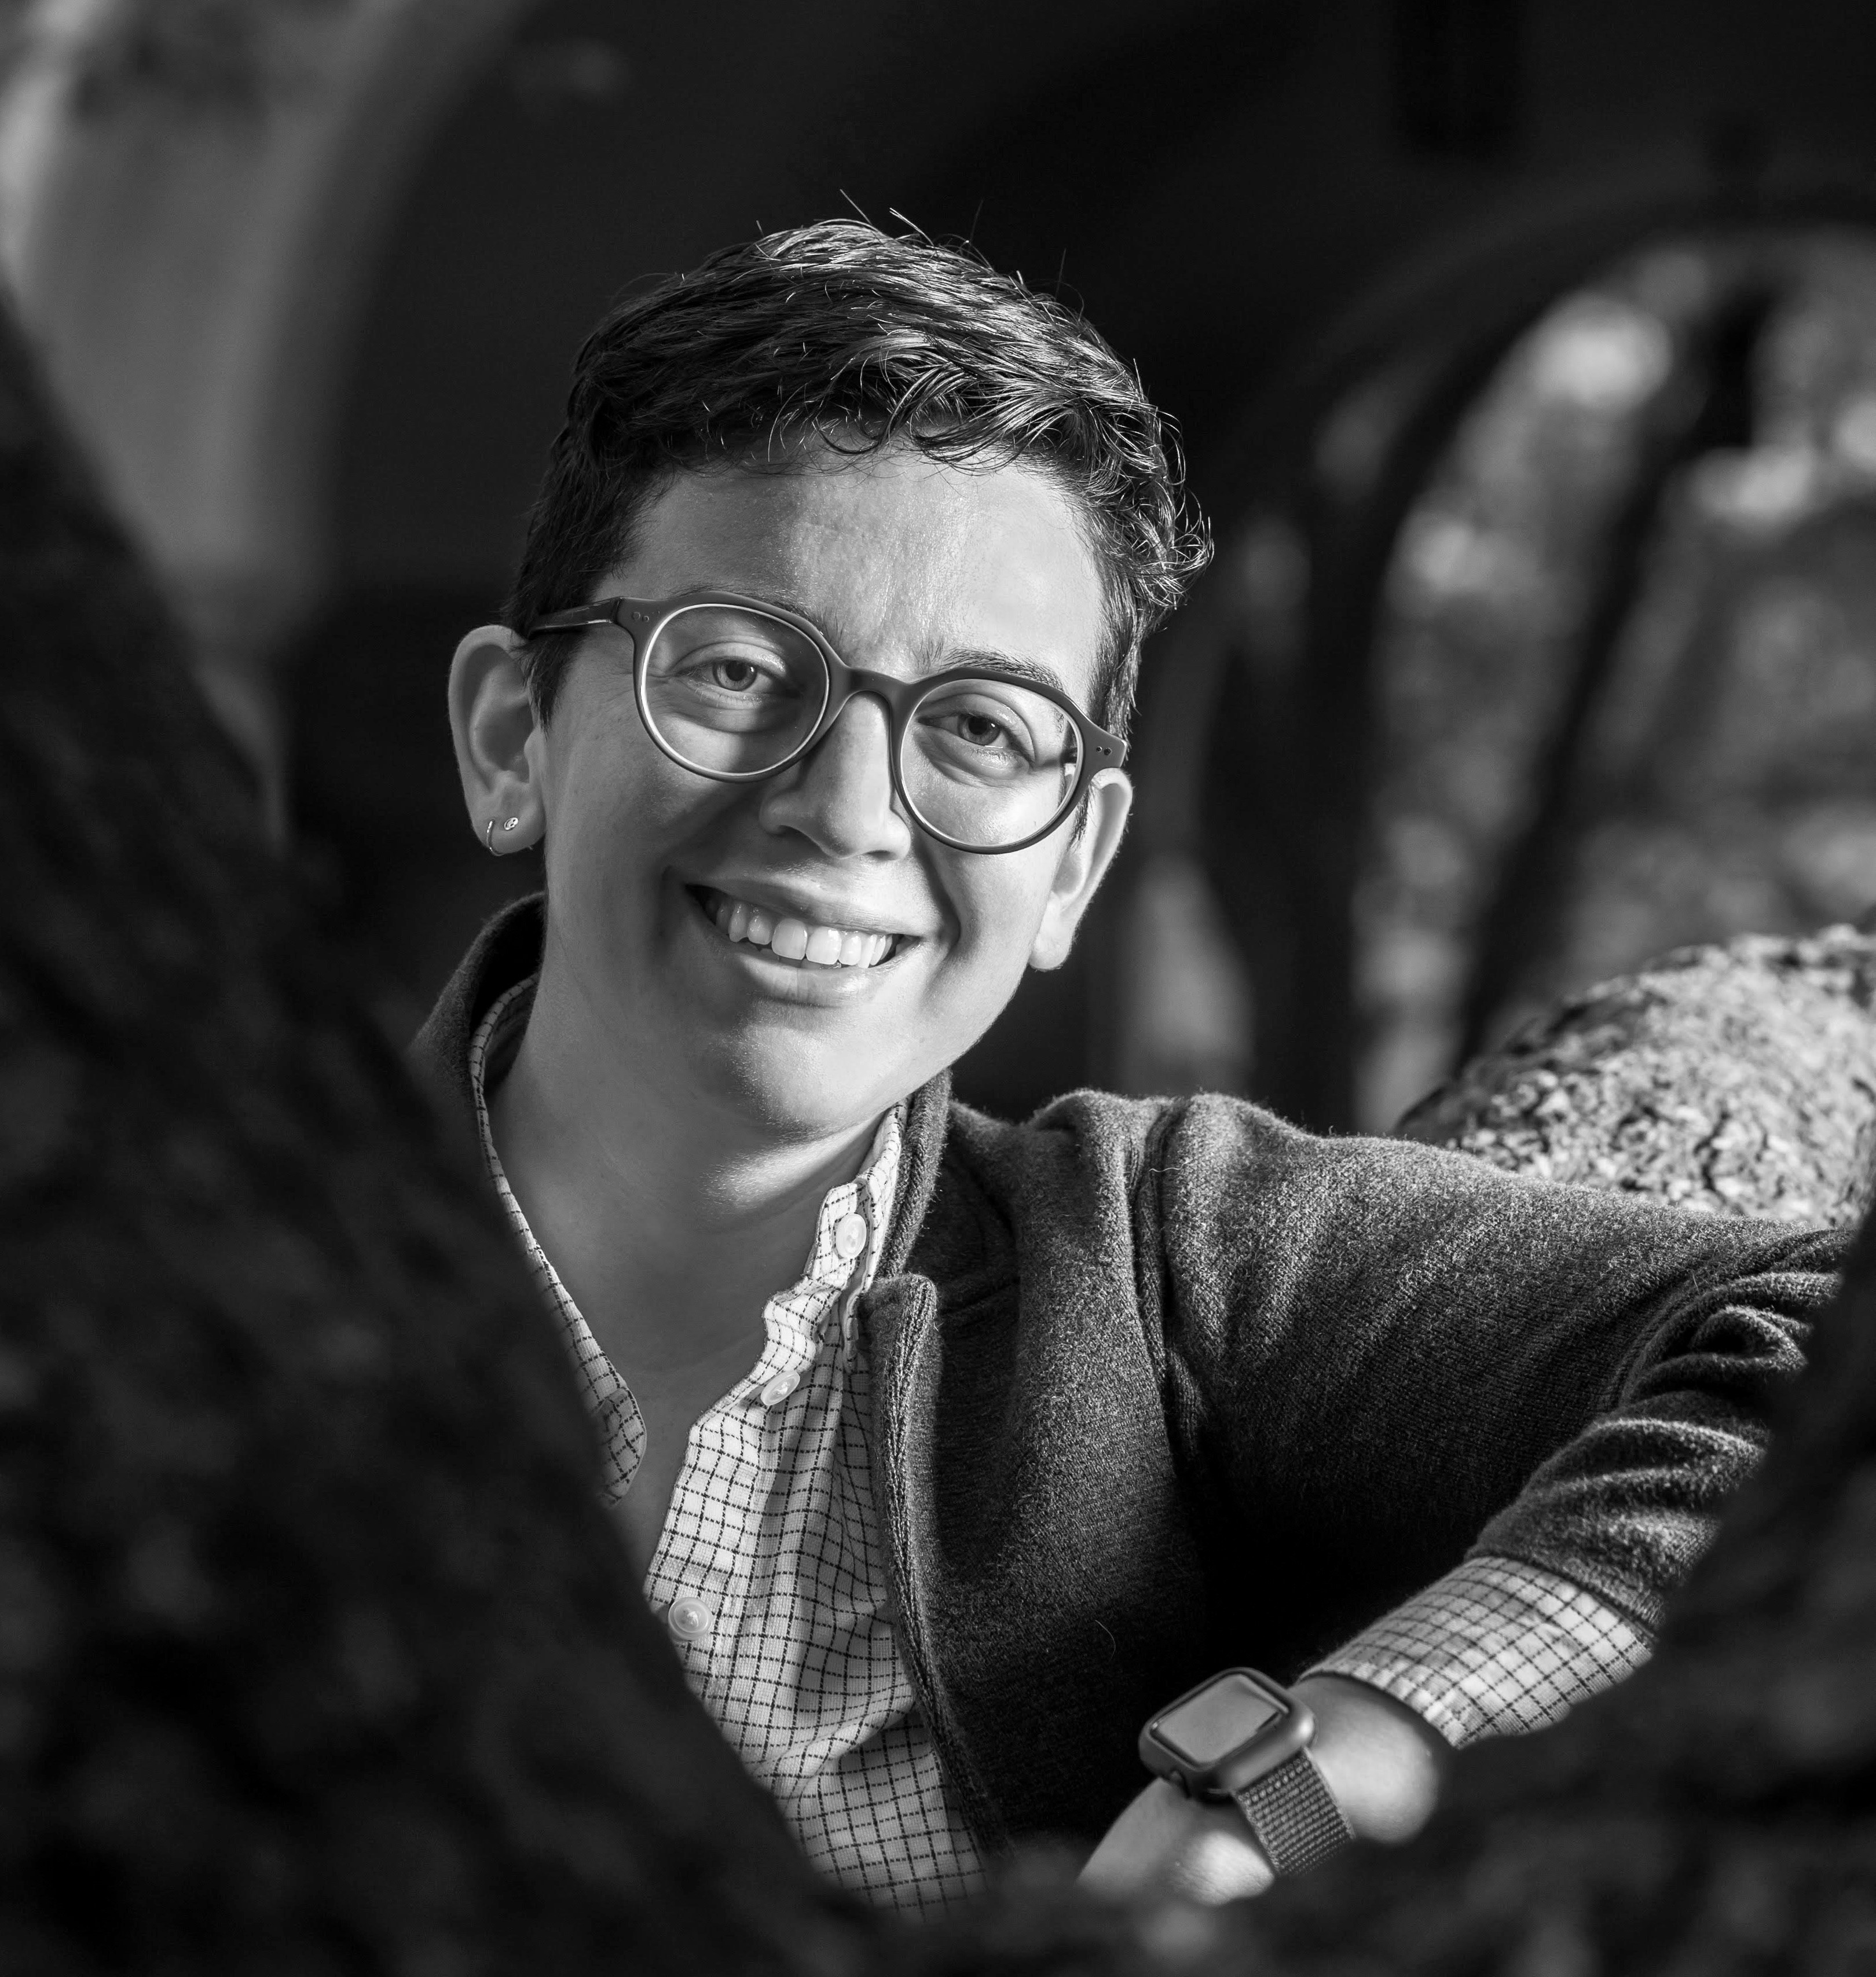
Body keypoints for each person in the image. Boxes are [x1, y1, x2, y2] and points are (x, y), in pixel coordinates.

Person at [410, 219, 1842, 1914]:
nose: (852, 811)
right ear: (514, 738)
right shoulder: (185, 1266)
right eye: (734, 670)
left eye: (983, 728)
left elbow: (1816, 1354)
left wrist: (1310, 1776)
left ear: (1075, 866)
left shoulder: (1159, 1255)